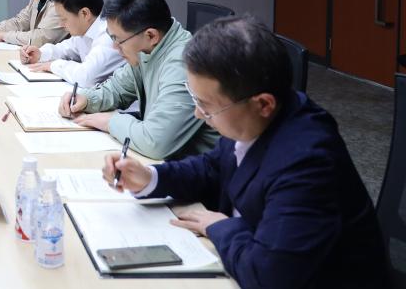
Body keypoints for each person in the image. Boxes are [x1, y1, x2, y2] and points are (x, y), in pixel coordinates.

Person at [104, 16, 391, 288]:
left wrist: (220, 227)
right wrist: (150, 177)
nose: (198, 113)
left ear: (263, 104)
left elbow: (268, 277)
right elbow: (212, 167)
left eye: (206, 105)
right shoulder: (250, 117)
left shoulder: (307, 161)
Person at [58, 0, 218, 160]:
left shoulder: (182, 63)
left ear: (151, 35)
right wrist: (86, 99)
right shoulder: (148, 49)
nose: (114, 47)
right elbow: (117, 89)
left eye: (119, 40)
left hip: (197, 169)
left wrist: (111, 121)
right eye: (111, 38)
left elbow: (155, 141)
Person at [18, 0, 125, 87]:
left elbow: (86, 77)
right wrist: (40, 54)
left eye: (64, 19)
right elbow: (65, 49)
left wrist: (53, 65)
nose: (61, 24)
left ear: (85, 14)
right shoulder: (85, 30)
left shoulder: (108, 35)